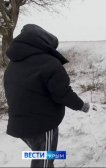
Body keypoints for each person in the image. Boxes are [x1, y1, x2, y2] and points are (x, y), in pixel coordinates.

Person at [4, 24, 90, 167]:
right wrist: (81, 105)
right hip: (41, 126)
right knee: (43, 160)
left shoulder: (13, 65)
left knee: (41, 155)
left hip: (19, 124)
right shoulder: (49, 63)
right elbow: (63, 93)